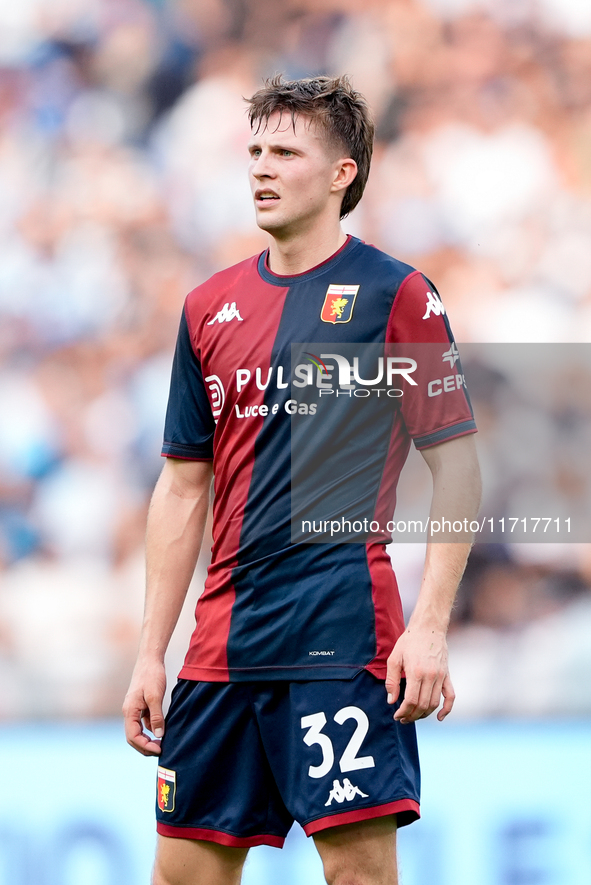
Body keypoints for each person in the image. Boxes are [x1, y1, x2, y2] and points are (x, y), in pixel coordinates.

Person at [123, 74, 481, 885]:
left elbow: (456, 466)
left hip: (339, 638)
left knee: (356, 876)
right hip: (219, 651)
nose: (260, 167)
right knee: (180, 877)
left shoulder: (397, 294)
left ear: (340, 172)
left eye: (284, 151)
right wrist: (152, 653)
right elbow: (183, 488)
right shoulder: (206, 306)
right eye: (253, 150)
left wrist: (427, 627)